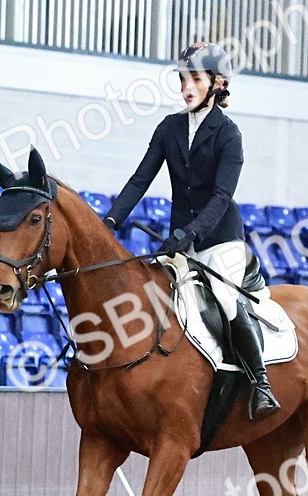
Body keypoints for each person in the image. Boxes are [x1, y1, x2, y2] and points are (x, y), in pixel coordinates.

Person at [102, 41, 279, 420]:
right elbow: (139, 180)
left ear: (216, 84)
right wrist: (111, 219)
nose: (186, 85)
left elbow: (220, 196)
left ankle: (260, 383)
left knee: (226, 298)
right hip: (180, 237)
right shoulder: (169, 127)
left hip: (219, 239)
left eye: (195, 78)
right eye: (183, 77)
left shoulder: (229, 135)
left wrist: (190, 235)